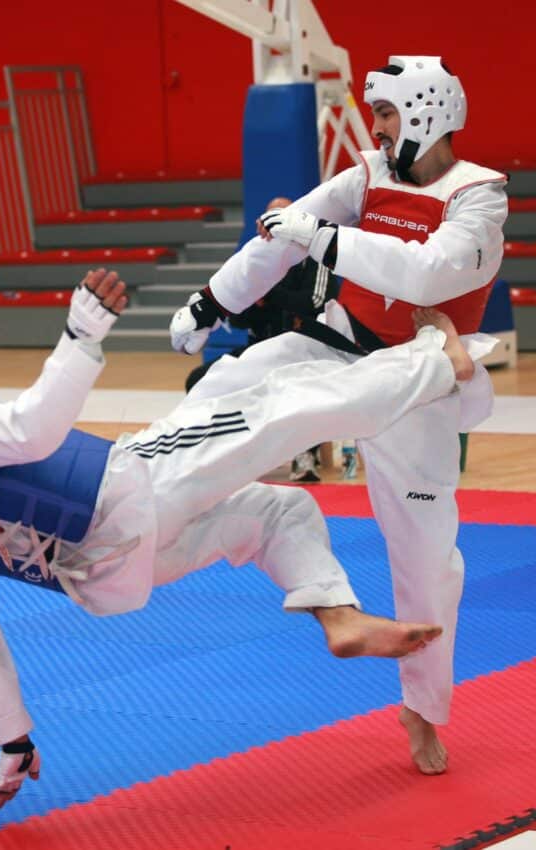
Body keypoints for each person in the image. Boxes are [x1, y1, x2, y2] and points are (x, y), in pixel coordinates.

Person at [0, 268, 477, 809]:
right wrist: (80, 335)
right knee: (281, 405)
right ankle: (435, 362)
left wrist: (13, 740)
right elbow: (33, 431)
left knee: (275, 511)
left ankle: (336, 613)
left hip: (102, 578)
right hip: (130, 493)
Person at [169, 56, 509, 775]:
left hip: (416, 380)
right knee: (217, 392)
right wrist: (211, 301)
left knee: (426, 559)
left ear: (425, 111)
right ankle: (133, 508)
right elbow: (280, 235)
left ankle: (422, 711)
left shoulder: (480, 198)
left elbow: (425, 273)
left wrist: (320, 238)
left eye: (386, 114)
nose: (377, 128)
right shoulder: (366, 176)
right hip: (334, 346)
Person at [187, 196, 338, 482]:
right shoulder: (252, 260)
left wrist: (266, 295)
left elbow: (312, 301)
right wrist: (254, 301)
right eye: (269, 217)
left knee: (305, 387)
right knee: (200, 380)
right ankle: (220, 455)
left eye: (282, 215)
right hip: (258, 351)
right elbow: (236, 317)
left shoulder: (316, 257)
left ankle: (305, 456)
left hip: (303, 354)